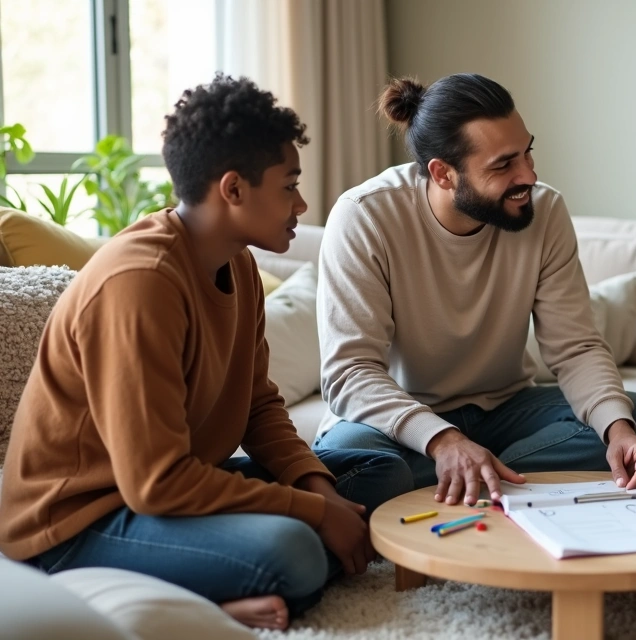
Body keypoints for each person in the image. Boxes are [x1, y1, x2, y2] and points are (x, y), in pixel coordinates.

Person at [0, 75, 410, 631]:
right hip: (77, 524)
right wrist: (313, 512)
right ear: (234, 189)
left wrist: (316, 488)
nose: (302, 202)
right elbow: (155, 483)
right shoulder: (139, 283)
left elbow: (259, 405)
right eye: (288, 185)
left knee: (380, 474)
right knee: (295, 550)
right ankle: (207, 601)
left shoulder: (238, 263)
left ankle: (222, 578)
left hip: (177, 490)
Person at [314, 74, 636, 506]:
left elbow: (576, 348)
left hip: (505, 409)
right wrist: (442, 440)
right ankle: (496, 476)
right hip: (399, 420)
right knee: (350, 460)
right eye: (503, 165)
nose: (529, 176)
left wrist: (618, 432)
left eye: (527, 153)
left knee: (634, 415)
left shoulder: (545, 211)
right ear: (442, 173)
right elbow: (350, 372)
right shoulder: (365, 216)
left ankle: (469, 478)